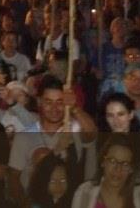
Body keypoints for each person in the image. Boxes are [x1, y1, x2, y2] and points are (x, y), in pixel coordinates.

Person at [8, 76, 97, 204]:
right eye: (48, 102)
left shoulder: (73, 130)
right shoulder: (24, 136)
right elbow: (13, 179)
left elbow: (91, 134)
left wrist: (74, 108)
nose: (54, 108)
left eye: (60, 102)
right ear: (39, 101)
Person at [70, 134, 140, 208]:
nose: (118, 169)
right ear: (103, 162)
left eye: (125, 164)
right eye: (113, 161)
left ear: (131, 169)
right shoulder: (85, 193)